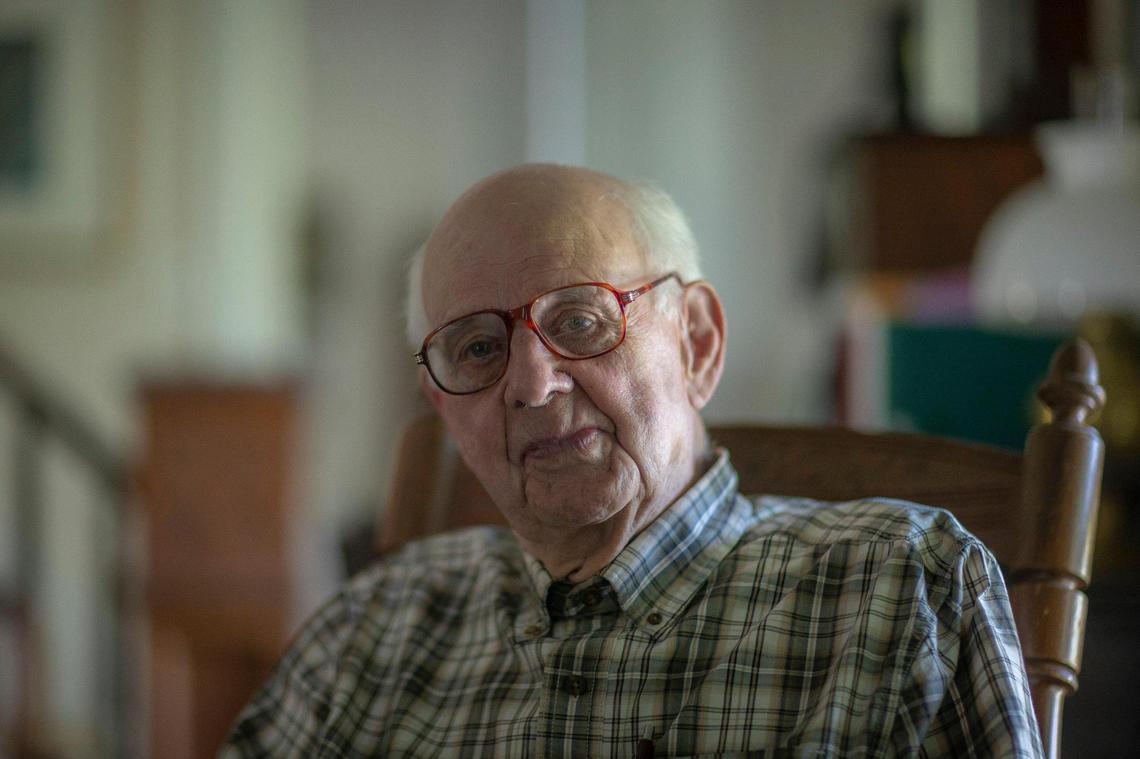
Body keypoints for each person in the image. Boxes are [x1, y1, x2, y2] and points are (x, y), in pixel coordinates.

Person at [223, 165, 1042, 757]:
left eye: (579, 321)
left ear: (697, 342)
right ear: (443, 408)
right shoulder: (368, 633)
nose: (533, 385)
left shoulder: (899, 590)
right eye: (478, 347)